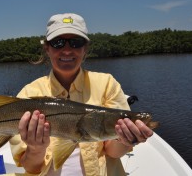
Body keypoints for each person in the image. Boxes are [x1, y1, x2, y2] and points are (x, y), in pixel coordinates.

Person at [9, 13, 153, 176]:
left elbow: (113, 152)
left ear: (85, 48)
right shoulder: (27, 95)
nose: (67, 50)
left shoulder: (107, 84)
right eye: (58, 42)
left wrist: (125, 140)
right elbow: (31, 168)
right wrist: (36, 148)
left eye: (76, 43)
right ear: (47, 48)